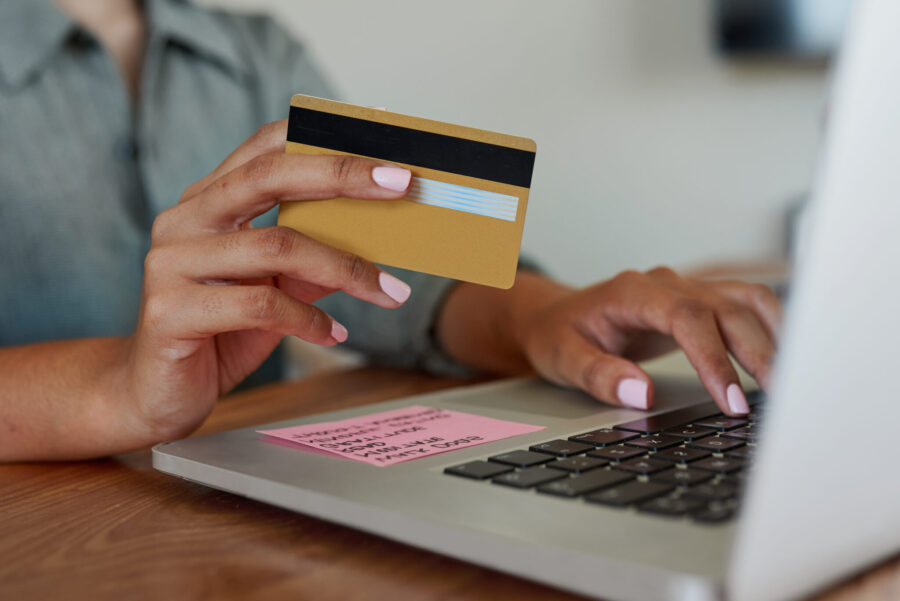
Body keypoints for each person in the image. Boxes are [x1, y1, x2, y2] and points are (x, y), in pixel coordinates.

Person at [0, 0, 780, 462]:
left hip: (218, 508)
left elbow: (374, 277)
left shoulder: (254, 54)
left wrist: (536, 314)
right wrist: (117, 388)